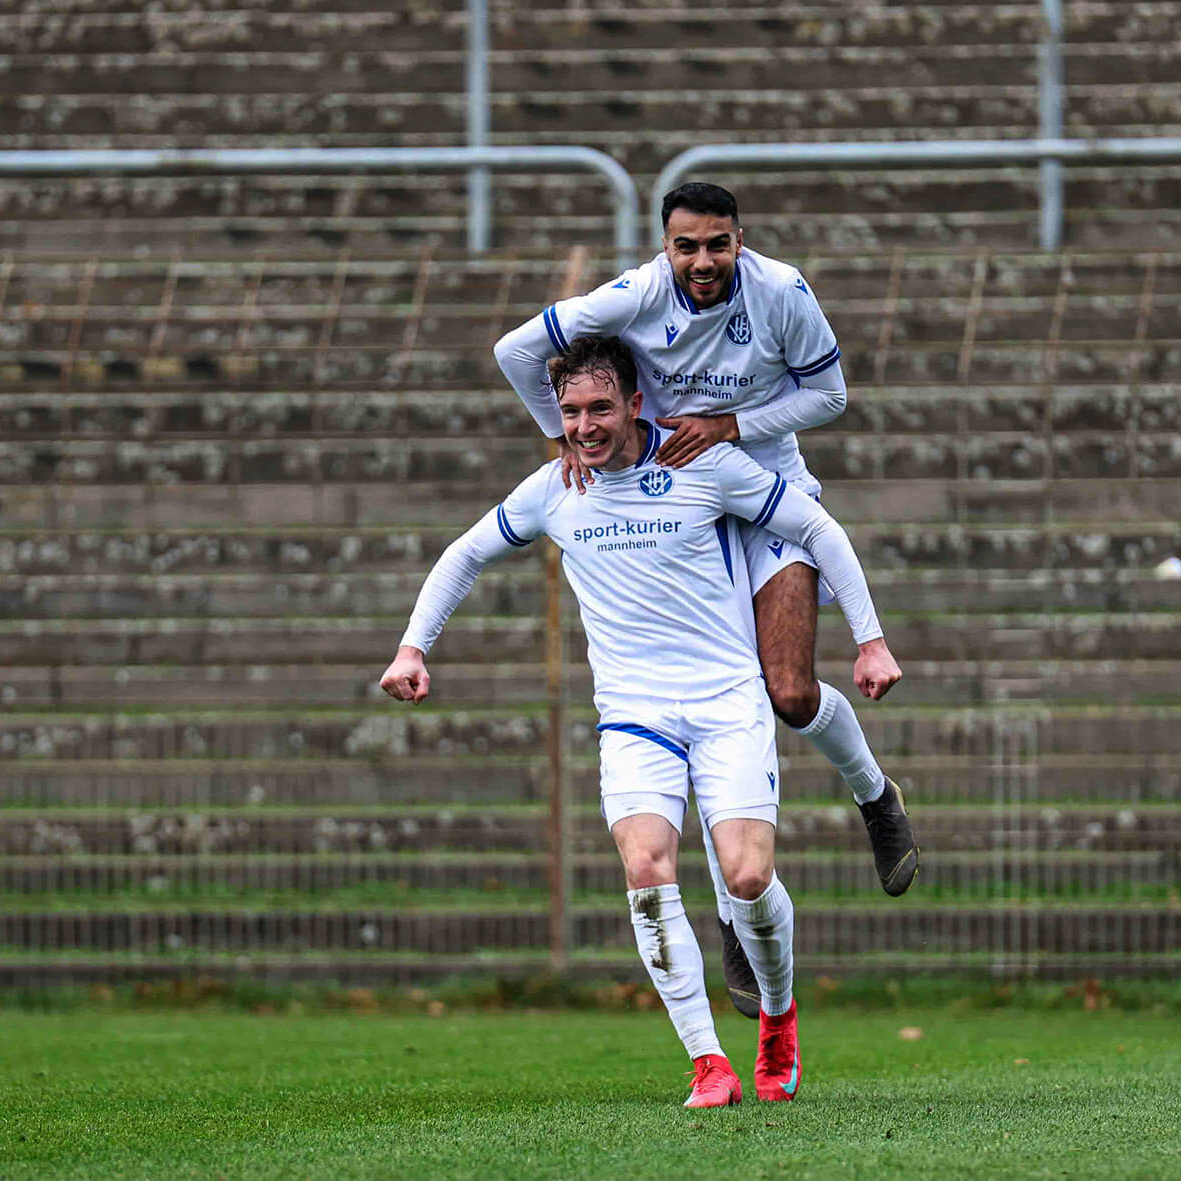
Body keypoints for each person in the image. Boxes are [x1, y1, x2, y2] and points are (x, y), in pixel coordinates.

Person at [380, 336, 901, 1107]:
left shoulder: (705, 467)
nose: (584, 427)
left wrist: (871, 637)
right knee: (646, 865)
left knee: (748, 875)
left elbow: (818, 529)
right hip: (634, 718)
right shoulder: (555, 489)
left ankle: (779, 1018)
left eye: (599, 408)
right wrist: (413, 647)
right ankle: (707, 1061)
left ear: (633, 403)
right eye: (570, 413)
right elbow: (465, 553)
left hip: (728, 703)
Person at [493, 181, 918, 1017]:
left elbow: (830, 395)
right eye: (686, 247)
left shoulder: (783, 292)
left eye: (717, 245)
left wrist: (732, 425)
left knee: (790, 693)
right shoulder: (634, 296)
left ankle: (876, 795)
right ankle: (735, 912)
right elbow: (515, 351)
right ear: (665, 248)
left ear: (739, 242)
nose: (702, 262)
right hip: (678, 505)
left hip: (761, 487)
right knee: (727, 702)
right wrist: (561, 440)